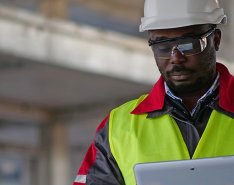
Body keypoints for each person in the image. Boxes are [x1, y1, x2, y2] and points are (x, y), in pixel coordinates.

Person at [73, 0, 234, 184]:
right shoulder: (119, 127)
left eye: (188, 44)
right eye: (163, 47)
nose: (176, 58)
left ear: (216, 40)